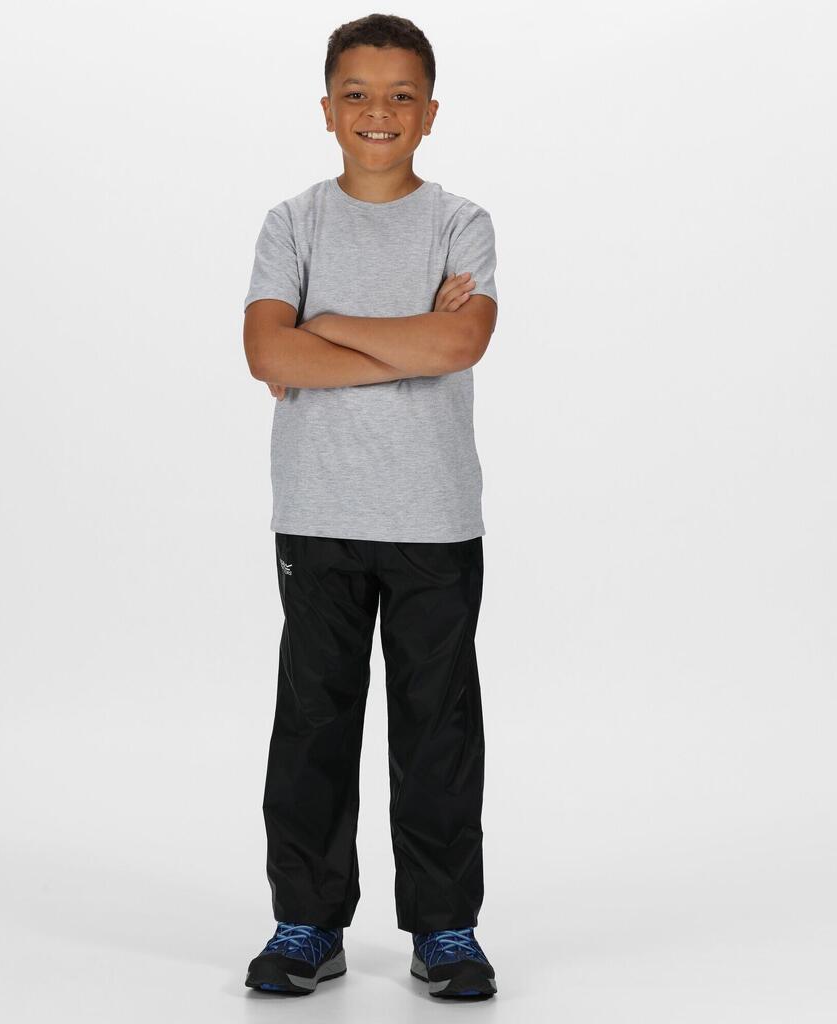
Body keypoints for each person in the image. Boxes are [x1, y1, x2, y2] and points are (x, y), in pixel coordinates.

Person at [241, 13, 500, 1000]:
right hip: (317, 512)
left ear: (430, 113)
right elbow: (267, 352)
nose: (377, 112)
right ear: (326, 109)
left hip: (434, 517)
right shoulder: (293, 223)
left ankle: (447, 929)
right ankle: (306, 922)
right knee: (314, 723)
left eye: (400, 96)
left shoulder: (459, 223)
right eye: (356, 94)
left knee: (437, 729)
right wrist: (403, 339)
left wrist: (330, 326)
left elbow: (459, 344)